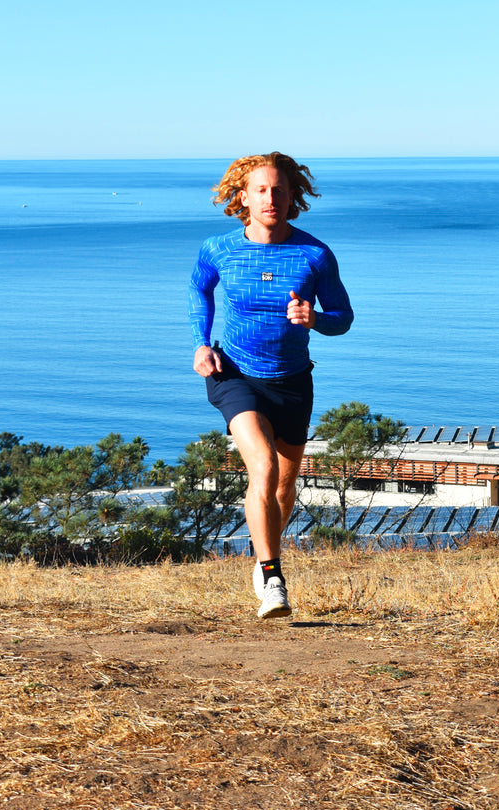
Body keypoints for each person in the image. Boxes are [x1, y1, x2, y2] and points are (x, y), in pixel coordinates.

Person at [189, 152, 353, 618]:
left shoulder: (314, 254)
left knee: (283, 487)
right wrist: (202, 344)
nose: (270, 198)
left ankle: (265, 558)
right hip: (234, 375)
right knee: (260, 467)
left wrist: (315, 319)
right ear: (243, 197)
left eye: (279, 189)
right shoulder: (218, 248)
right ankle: (272, 576)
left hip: (293, 381)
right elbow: (198, 289)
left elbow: (343, 317)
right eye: (260, 190)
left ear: (292, 195)